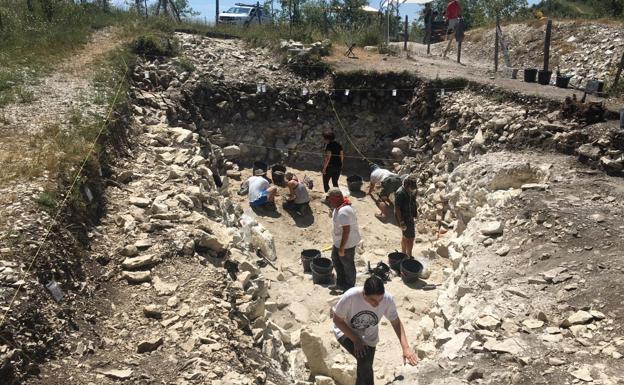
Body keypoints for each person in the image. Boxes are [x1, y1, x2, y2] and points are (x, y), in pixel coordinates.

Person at [332, 276, 418, 385]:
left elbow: (396, 322)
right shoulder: (351, 296)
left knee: (364, 367)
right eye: (373, 300)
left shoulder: (387, 299)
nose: (377, 304)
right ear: (364, 293)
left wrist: (406, 348)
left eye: (380, 299)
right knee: (365, 362)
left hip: (369, 337)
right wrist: (356, 340)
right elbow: (337, 320)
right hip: (346, 332)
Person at [328, 188, 361, 290]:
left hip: (346, 244)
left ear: (337, 198)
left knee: (348, 265)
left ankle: (349, 287)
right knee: (336, 261)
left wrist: (342, 248)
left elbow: (346, 231)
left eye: (330, 198)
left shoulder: (344, 211)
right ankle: (340, 283)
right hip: (338, 242)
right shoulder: (338, 207)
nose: (329, 201)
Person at [394, 174, 418, 257]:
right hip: (404, 218)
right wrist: (401, 221)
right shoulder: (400, 193)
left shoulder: (409, 190)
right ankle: (409, 256)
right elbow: (397, 208)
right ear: (406, 184)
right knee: (410, 238)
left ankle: (403, 254)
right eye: (411, 187)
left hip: (409, 216)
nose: (412, 189)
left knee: (405, 236)